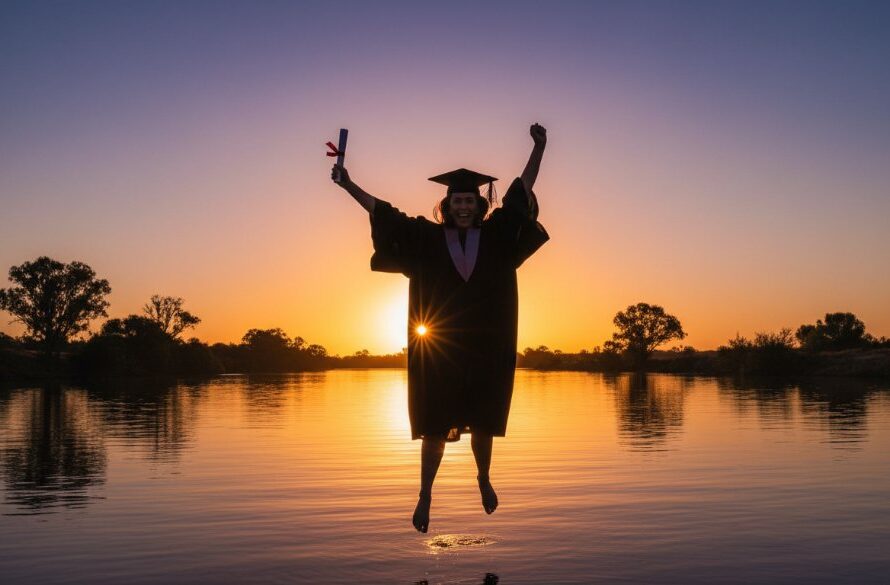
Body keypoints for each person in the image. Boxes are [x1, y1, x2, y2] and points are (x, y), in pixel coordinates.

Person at [331, 123, 549, 533]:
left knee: (484, 421)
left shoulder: (499, 236)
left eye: (470, 200)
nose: (464, 206)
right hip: (440, 351)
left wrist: (540, 147)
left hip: (486, 347)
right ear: (446, 205)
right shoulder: (427, 240)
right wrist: (348, 184)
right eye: (457, 200)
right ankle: (425, 494)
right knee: (434, 424)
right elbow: (384, 213)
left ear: (480, 205)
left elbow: (522, 191)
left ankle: (483, 478)